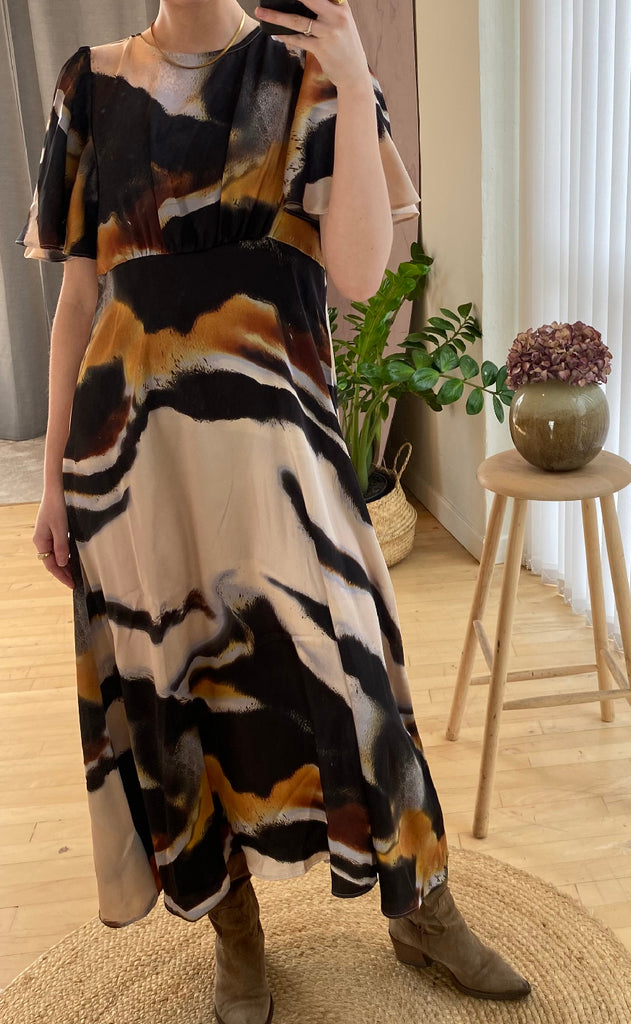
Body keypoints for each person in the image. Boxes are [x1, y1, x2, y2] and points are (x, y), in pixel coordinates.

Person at [17, 1, 531, 1020]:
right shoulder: (90, 85)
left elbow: (358, 275)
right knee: (180, 689)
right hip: (136, 466)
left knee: (357, 675)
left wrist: (350, 72)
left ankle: (422, 906)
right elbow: (79, 302)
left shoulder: (310, 69)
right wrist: (51, 484)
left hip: (285, 455)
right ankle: (235, 932)